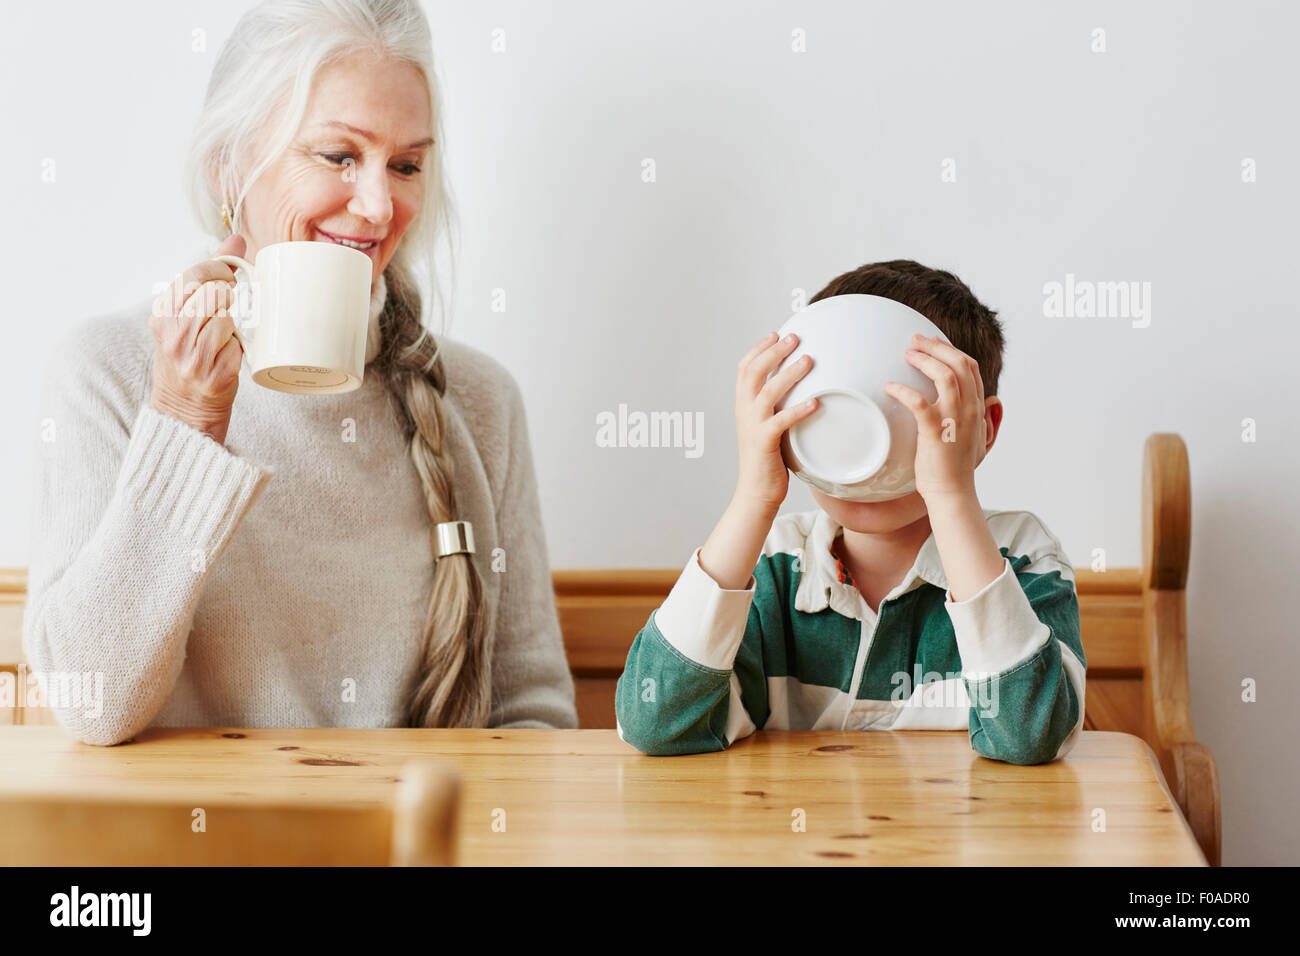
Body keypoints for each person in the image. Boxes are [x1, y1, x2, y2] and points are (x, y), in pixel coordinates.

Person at [23, 0, 577, 745]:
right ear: (231, 167)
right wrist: (186, 421)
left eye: (406, 165)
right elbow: (96, 707)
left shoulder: (480, 401)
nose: (380, 206)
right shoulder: (108, 375)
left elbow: (533, 719)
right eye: (339, 155)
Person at [615, 260, 1085, 763]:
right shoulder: (771, 565)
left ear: (982, 429)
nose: (866, 459)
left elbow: (1031, 736)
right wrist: (754, 496)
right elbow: (656, 723)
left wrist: (950, 494)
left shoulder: (1019, 557)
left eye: (909, 408)